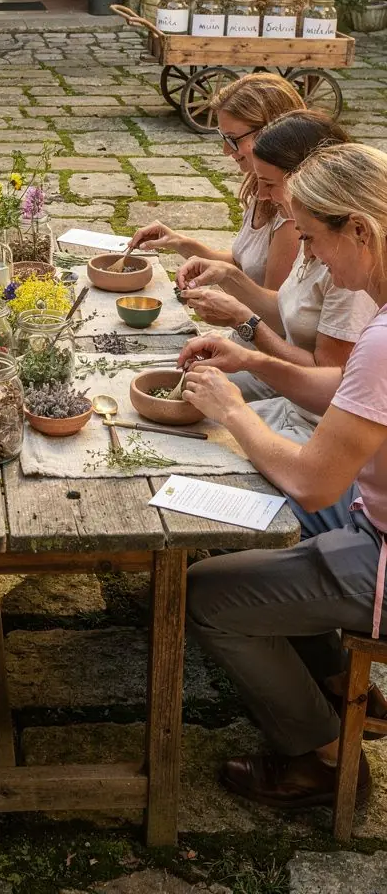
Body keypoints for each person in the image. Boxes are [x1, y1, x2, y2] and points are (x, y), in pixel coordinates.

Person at [184, 142, 387, 813]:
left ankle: (324, 761)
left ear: (359, 230)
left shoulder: (383, 338)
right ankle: (338, 686)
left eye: (313, 239)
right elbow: (345, 387)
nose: (312, 259)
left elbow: (314, 483)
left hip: (380, 553)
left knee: (206, 593)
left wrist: (233, 409)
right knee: (272, 540)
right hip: (372, 526)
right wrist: (254, 357)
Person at [175, 111, 376, 443]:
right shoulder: (314, 232)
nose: (262, 196)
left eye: (268, 184)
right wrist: (229, 277)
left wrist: (247, 328)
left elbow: (329, 386)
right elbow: (287, 307)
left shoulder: (346, 268)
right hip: (293, 407)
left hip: (312, 424)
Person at [129, 73, 303, 288]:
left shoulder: (290, 213)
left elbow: (276, 312)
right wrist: (178, 242)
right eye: (223, 138)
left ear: (273, 132)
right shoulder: (259, 186)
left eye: (233, 139)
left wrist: (229, 307)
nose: (226, 150)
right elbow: (245, 265)